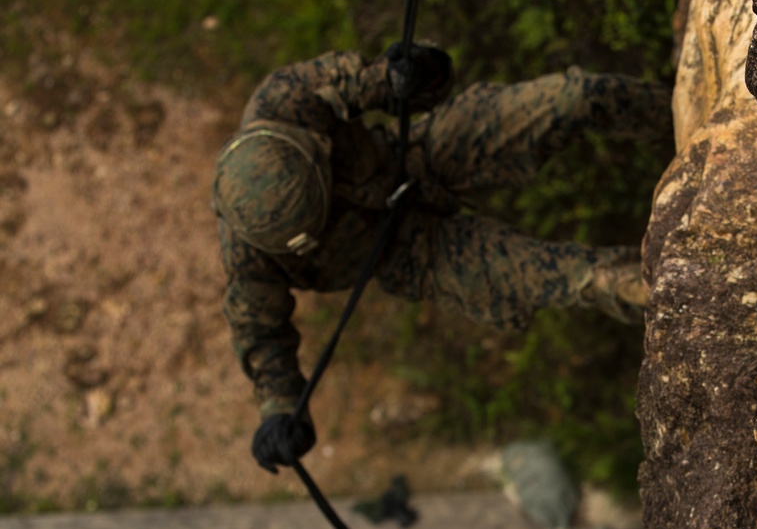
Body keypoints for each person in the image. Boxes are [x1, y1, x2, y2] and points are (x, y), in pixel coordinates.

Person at [212, 42, 672, 472]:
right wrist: (279, 411)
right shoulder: (249, 257)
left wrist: (415, 72)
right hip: (411, 253)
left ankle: (684, 116)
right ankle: (694, 296)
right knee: (592, 280)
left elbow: (383, 82)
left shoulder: (286, 100)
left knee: (576, 98)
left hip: (415, 157)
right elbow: (261, 333)